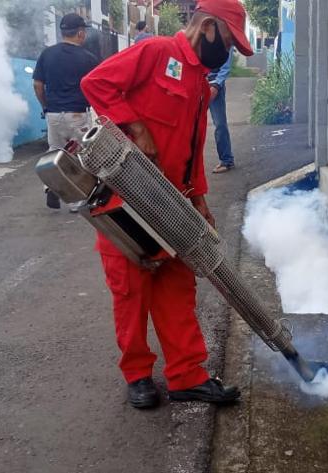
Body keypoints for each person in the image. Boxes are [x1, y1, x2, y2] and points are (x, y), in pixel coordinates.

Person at [80, 0, 254, 409]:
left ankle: (186, 376)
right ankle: (138, 375)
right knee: (132, 291)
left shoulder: (198, 79)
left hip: (173, 203)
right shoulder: (156, 51)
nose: (228, 51)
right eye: (229, 40)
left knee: (177, 287)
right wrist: (134, 125)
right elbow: (96, 83)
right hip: (126, 201)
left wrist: (199, 200)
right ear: (208, 27)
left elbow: (193, 149)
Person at [33, 13, 100, 212]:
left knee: (54, 151)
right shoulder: (88, 59)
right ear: (80, 33)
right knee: (80, 156)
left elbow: (38, 85)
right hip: (77, 114)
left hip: (53, 114)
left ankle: (50, 186)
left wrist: (46, 106)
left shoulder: (47, 54)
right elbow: (96, 86)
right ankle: (76, 202)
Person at [208, 53, 235, 173]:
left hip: (214, 84)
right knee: (191, 126)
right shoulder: (195, 36)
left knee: (220, 124)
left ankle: (227, 161)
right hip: (196, 82)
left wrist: (216, 85)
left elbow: (226, 67)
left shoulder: (224, 37)